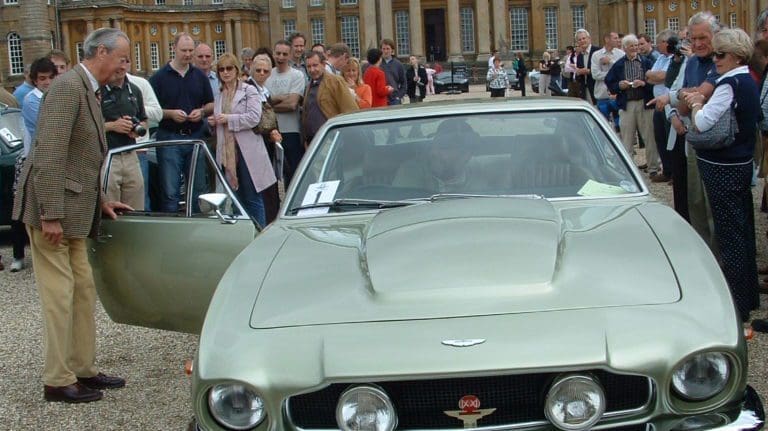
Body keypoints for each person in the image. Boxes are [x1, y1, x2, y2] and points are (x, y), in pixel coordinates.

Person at [12, 27, 132, 404]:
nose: (123, 66)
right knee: (59, 296)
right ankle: (57, 379)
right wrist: (49, 214)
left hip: (75, 211)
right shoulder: (67, 88)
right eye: (121, 58)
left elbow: (81, 157)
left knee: (82, 290)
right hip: (54, 213)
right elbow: (49, 153)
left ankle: (83, 368)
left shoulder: (88, 89)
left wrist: (99, 201)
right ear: (101, 52)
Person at [682, 28, 761, 326]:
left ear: (736, 56)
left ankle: (737, 306)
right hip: (739, 163)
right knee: (742, 231)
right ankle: (747, 297)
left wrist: (695, 103)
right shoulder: (748, 80)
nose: (715, 60)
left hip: (723, 167)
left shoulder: (729, 84)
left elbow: (702, 123)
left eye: (720, 54)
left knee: (730, 236)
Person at [209, 53, 276, 227]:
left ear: (236, 70)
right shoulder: (219, 94)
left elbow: (254, 117)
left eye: (229, 68)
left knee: (252, 197)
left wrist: (228, 119)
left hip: (248, 151)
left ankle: (259, 231)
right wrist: (214, 122)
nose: (225, 72)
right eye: (221, 69)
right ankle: (244, 232)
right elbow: (220, 120)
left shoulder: (249, 90)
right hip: (228, 152)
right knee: (236, 197)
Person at [150, 32, 214, 212]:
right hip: (169, 138)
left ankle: (193, 227)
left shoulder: (199, 76)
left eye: (190, 50)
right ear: (173, 49)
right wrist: (170, 114)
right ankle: (171, 228)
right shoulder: (159, 77)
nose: (187, 54)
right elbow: (149, 109)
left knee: (197, 188)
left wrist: (201, 112)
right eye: (183, 50)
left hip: (195, 136)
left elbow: (211, 104)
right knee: (170, 191)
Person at [12, 57, 58, 273]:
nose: (47, 82)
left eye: (50, 77)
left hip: (51, 160)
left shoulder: (54, 96)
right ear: (35, 80)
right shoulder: (32, 100)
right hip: (36, 161)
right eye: (42, 78)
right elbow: (49, 128)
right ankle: (22, 256)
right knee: (36, 212)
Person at [101, 52, 148, 211]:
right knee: (109, 208)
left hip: (130, 154)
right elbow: (87, 126)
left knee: (136, 208)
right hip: (108, 156)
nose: (122, 67)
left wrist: (137, 130)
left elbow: (144, 120)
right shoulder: (97, 91)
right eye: (118, 62)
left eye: (125, 62)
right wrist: (113, 126)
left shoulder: (134, 90)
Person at [605, 34, 656, 159]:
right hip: (627, 104)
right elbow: (609, 82)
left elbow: (655, 82)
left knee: (650, 138)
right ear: (625, 48)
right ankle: (630, 168)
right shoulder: (618, 65)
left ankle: (653, 168)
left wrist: (644, 84)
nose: (634, 48)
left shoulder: (647, 62)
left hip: (645, 103)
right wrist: (619, 86)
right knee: (627, 139)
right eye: (631, 46)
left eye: (636, 45)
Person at [246, 55, 283, 224]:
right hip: (255, 145)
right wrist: (271, 131)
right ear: (251, 69)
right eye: (258, 70)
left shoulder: (263, 90)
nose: (261, 73)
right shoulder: (248, 89)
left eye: (265, 71)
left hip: (266, 145)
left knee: (271, 187)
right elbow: (254, 120)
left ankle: (271, 220)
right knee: (262, 188)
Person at [266, 39, 306, 186]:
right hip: (270, 131)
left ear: (290, 55)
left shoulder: (297, 75)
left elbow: (292, 104)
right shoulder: (267, 74)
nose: (281, 57)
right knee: (271, 177)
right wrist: (281, 98)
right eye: (278, 53)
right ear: (273, 54)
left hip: (291, 131)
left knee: (293, 175)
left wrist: (269, 105)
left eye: (284, 54)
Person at [302, 51, 358, 144]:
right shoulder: (309, 85)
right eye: (309, 67)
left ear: (323, 64)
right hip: (313, 140)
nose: (312, 70)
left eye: (315, 65)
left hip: (331, 138)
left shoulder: (335, 81)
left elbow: (349, 109)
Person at [591, 31, 624, 131]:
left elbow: (623, 73)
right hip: (602, 95)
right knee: (602, 127)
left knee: (620, 126)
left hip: (617, 96)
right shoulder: (596, 55)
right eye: (615, 38)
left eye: (618, 38)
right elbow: (595, 74)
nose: (618, 40)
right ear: (607, 39)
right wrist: (613, 74)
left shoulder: (621, 54)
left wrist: (610, 62)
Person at [575, 29, 600, 103]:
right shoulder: (579, 56)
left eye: (584, 38)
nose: (582, 41)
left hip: (597, 89)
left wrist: (589, 71)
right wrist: (578, 73)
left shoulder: (597, 51)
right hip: (584, 90)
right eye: (579, 40)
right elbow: (578, 77)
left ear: (589, 39)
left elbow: (604, 70)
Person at [380, 39, 407, 105]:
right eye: (383, 49)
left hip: (394, 99)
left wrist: (399, 96)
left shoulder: (398, 64)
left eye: (388, 49)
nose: (385, 51)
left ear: (392, 50)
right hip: (382, 97)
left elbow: (404, 83)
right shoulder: (378, 64)